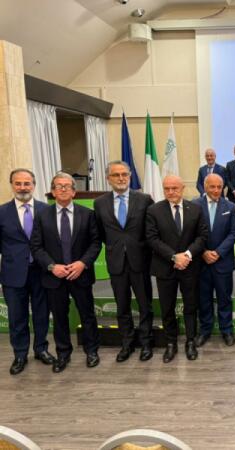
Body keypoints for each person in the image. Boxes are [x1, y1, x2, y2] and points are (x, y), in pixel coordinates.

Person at [30, 172, 102, 373]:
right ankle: (63, 354)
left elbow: (95, 243)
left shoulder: (87, 214)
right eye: (58, 186)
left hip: (80, 274)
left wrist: (82, 263)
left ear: (74, 191)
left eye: (67, 186)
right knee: (60, 317)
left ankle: (92, 351)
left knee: (87, 315)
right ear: (53, 192)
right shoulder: (42, 215)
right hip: (54, 277)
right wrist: (52, 266)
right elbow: (36, 246)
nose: (63, 189)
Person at [94, 160, 155, 363]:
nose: (121, 178)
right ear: (108, 178)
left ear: (130, 176)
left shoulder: (144, 199)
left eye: (124, 174)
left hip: (140, 261)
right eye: (116, 175)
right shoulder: (100, 203)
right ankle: (127, 343)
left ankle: (146, 343)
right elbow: (101, 233)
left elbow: (150, 230)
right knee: (122, 306)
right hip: (116, 262)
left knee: (145, 305)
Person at [146, 175, 209, 363]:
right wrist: (174, 256)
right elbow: (152, 239)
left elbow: (202, 236)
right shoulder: (154, 210)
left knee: (190, 306)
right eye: (167, 188)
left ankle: (190, 342)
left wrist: (187, 255)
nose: (171, 192)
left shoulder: (195, 209)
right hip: (165, 267)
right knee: (167, 308)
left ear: (183, 189)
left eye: (174, 188)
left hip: (190, 267)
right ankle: (170, 343)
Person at [0, 169, 55, 375]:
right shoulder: (2, 212)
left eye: (27, 183)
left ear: (34, 185)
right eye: (18, 183)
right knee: (17, 317)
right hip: (13, 274)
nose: (23, 188)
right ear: (12, 185)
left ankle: (41, 349)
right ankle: (20, 354)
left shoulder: (46, 210)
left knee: (42, 314)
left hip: (41, 272)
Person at [193, 173, 235, 348]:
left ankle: (227, 330)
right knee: (203, 298)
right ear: (205, 187)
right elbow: (191, 232)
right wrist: (203, 252)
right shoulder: (194, 205)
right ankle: (204, 331)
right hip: (201, 262)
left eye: (219, 187)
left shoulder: (231, 207)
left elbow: (234, 233)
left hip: (223, 262)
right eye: (212, 186)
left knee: (224, 298)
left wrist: (218, 253)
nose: (216, 190)